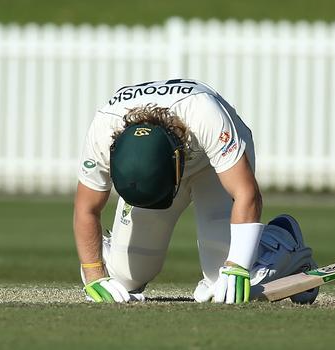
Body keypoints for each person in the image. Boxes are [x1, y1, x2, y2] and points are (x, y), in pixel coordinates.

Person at [73, 79, 319, 304]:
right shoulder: (103, 131)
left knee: (224, 283)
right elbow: (86, 208)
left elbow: (246, 193)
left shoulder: (204, 114)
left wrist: (237, 266)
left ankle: (283, 243)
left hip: (213, 166)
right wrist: (94, 274)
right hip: (162, 167)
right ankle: (113, 248)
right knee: (121, 279)